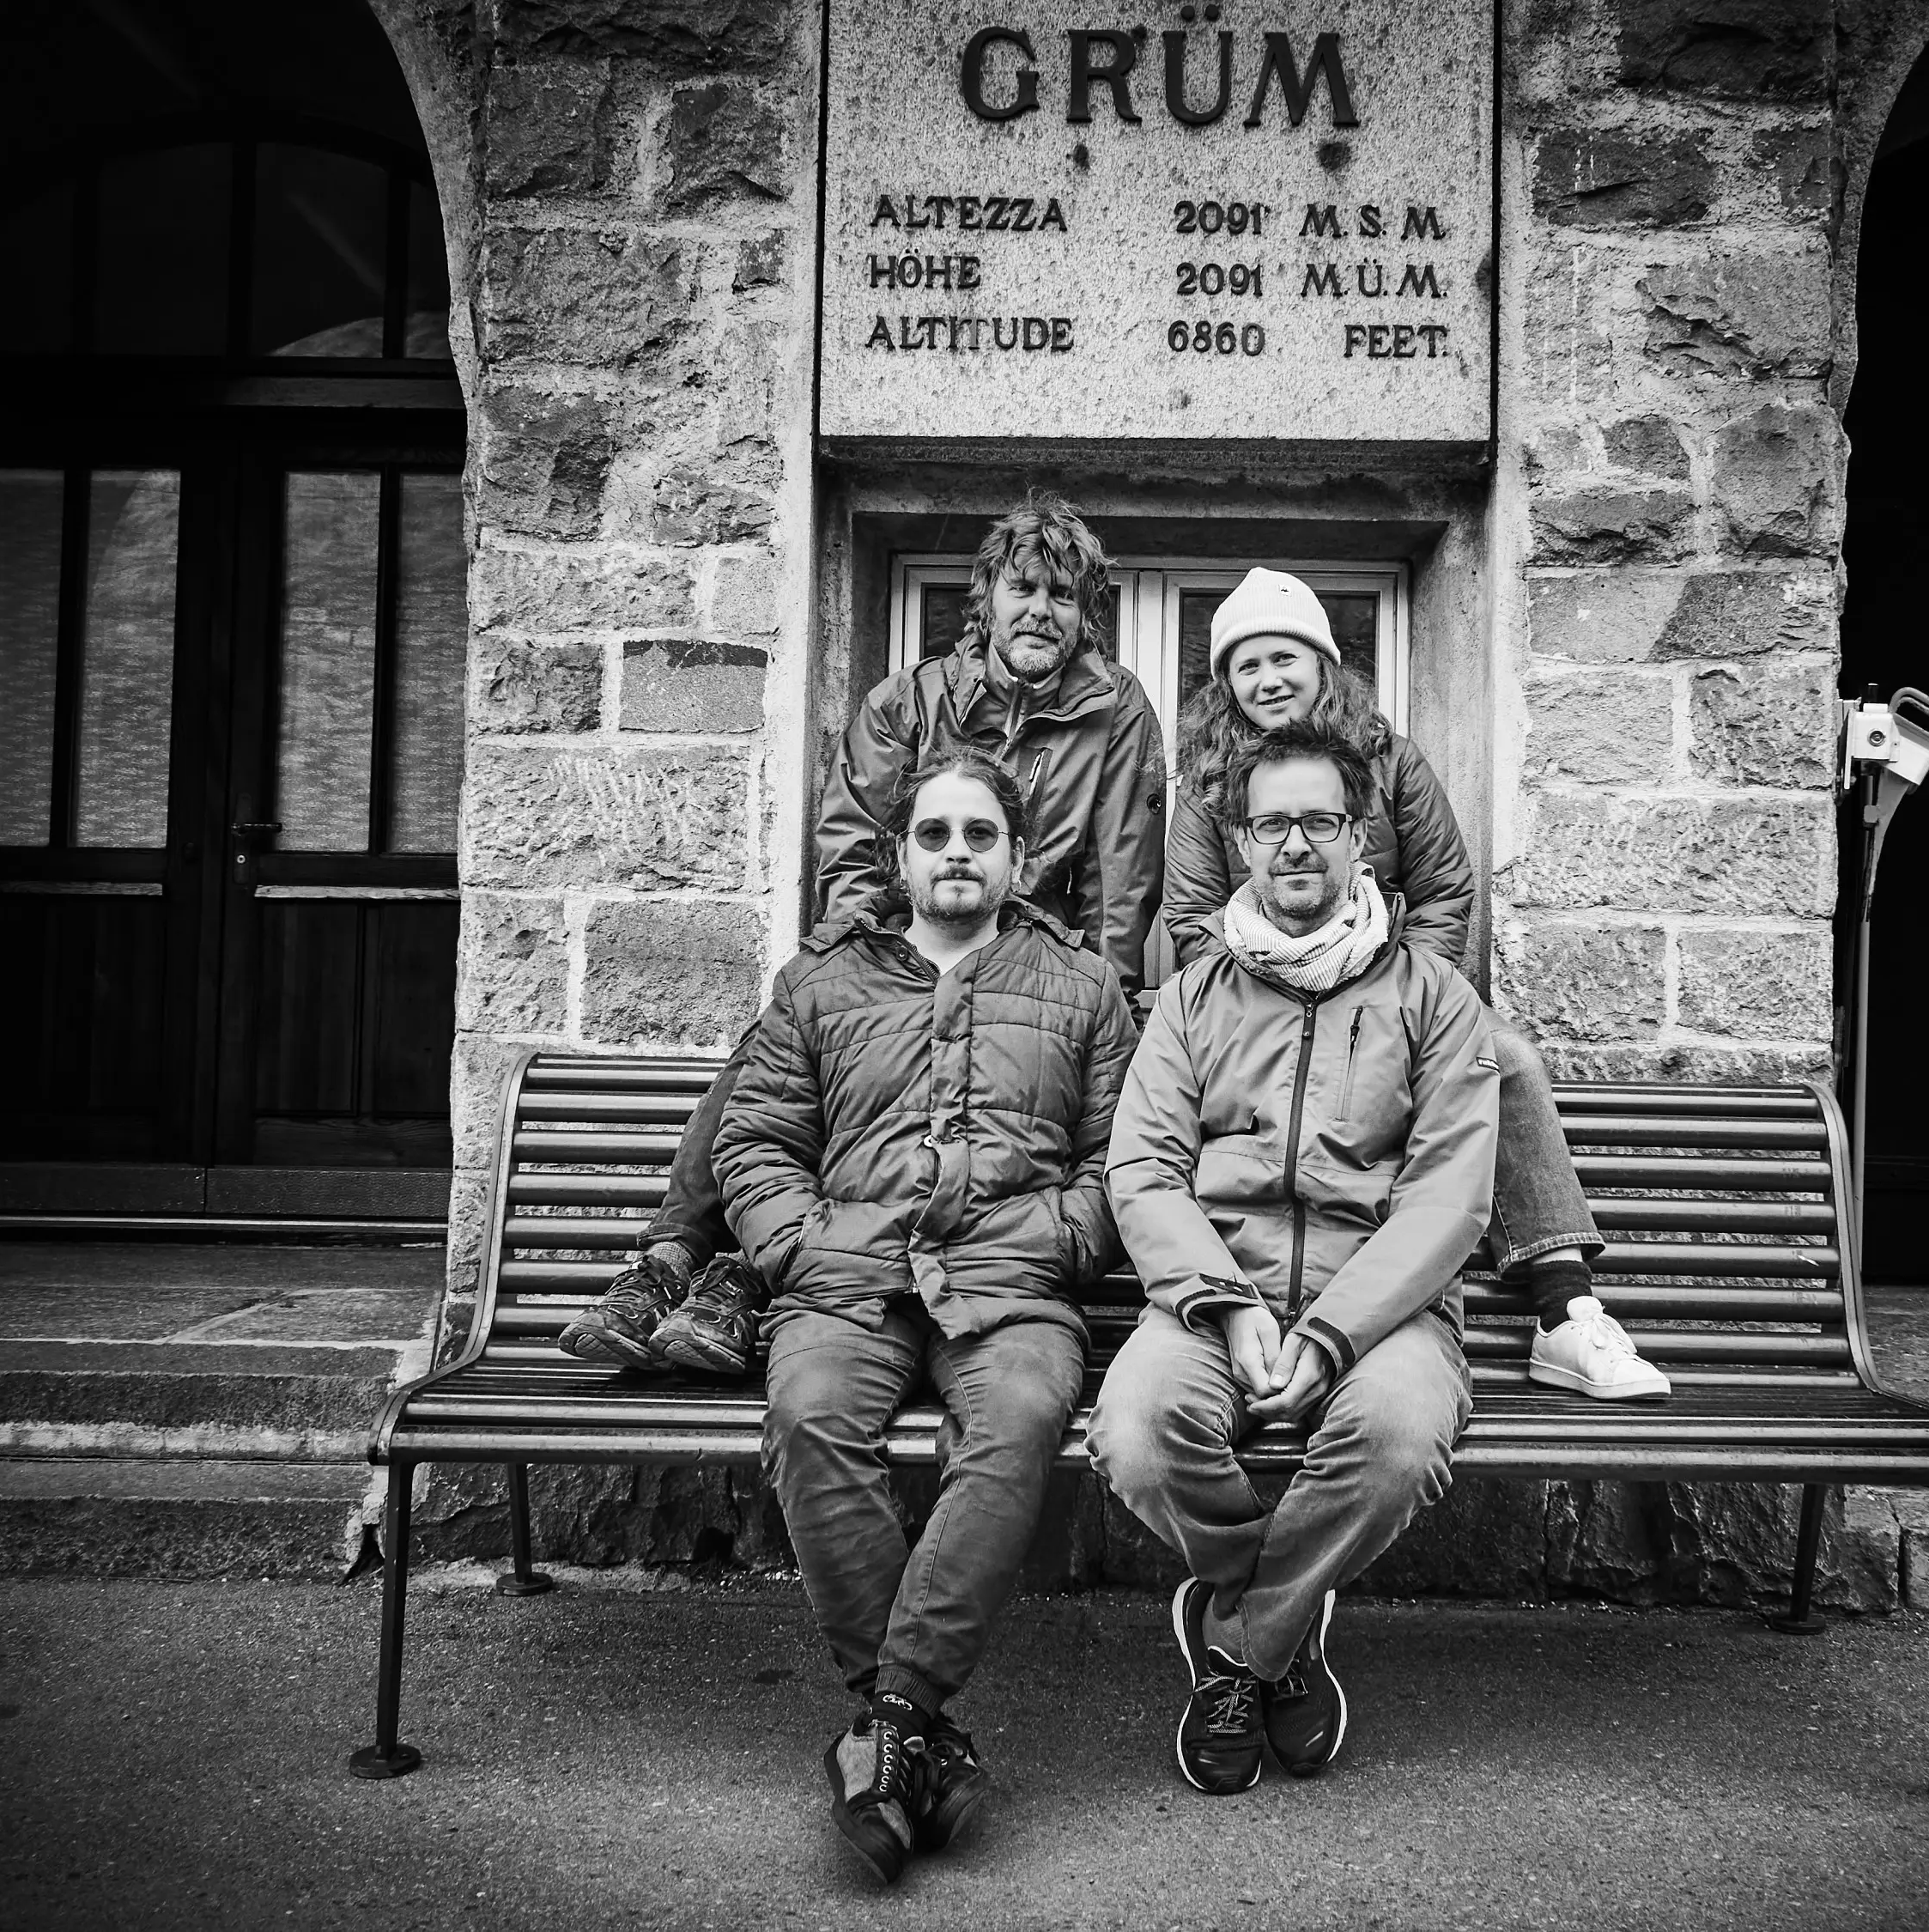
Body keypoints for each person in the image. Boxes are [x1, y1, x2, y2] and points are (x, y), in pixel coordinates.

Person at [557, 495, 1167, 1372]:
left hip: (1030, 966)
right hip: (901, 940)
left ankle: (737, 1278)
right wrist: (858, 963)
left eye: (1064, 597)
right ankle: (671, 1263)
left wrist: (1098, 998)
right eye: (1023, 588)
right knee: (792, 1030)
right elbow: (852, 844)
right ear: (987, 596)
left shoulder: (1118, 715)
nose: (1041, 610)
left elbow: (1121, 878)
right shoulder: (910, 701)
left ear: (1087, 615)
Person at [711, 751, 1139, 1880]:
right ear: (901, 855)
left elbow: (1121, 1164)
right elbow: (754, 1141)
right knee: (808, 1414)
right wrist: (805, 1243)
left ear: (1018, 855)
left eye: (980, 833)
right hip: (848, 1279)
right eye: (936, 832)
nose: (958, 850)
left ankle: (887, 1723)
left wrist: (1052, 1240)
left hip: (1012, 1291)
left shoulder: (1082, 986)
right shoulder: (821, 983)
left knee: (1018, 1421)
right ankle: (917, 1730)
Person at [1087, 722, 1499, 1795]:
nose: (1296, 845)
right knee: (1134, 1432)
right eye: (1273, 823)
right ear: (1241, 841)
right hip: (1213, 1302)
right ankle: (1283, 1616)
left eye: (1320, 821)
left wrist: (1329, 1333)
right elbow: (1144, 1173)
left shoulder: (1435, 1001)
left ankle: (1237, 1644)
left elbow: (1450, 1198)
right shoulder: (1190, 1002)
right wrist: (1227, 1308)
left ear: (1360, 838)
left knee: (1402, 1437)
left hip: (1385, 1314)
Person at [1163, 568, 1667, 1402]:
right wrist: (1261, 992)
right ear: (1227, 685)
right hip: (1262, 998)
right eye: (1247, 666)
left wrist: (1411, 990)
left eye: (1284, 657)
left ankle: (1565, 1312)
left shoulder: (1388, 761)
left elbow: (1444, 887)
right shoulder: (1212, 785)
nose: (1268, 680)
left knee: (1502, 1055)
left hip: (1394, 987)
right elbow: (1190, 918)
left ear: (1324, 663)